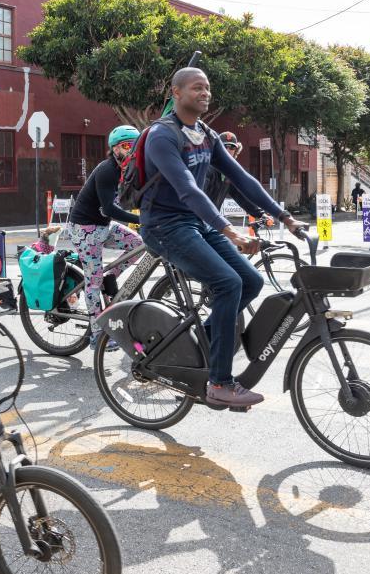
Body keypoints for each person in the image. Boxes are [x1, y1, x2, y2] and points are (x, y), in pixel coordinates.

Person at [140, 67, 307, 408]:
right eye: (196, 88)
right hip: (164, 226)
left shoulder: (204, 134)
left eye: (208, 88)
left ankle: (199, 345)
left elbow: (243, 178)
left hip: (193, 224)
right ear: (176, 93)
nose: (205, 93)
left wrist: (284, 216)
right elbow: (187, 189)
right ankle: (219, 383)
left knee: (250, 281)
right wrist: (228, 230)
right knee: (228, 284)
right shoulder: (162, 135)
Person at [67, 124, 145, 349]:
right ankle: (96, 334)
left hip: (103, 227)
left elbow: (135, 197)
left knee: (138, 244)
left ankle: (110, 275)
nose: (131, 150)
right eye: (126, 146)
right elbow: (110, 209)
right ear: (115, 149)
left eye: (135, 146)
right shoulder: (107, 170)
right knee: (93, 281)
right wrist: (142, 220)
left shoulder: (128, 171)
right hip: (85, 229)